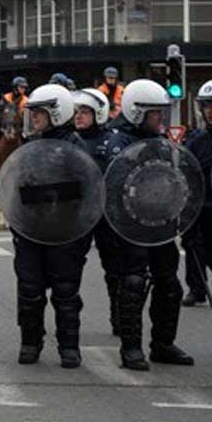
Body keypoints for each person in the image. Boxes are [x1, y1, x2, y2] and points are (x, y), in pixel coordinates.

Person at [97, 79, 193, 370]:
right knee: (133, 284)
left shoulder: (160, 143)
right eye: (155, 113)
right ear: (137, 112)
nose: (160, 119)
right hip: (130, 227)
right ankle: (131, 348)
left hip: (160, 224)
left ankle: (162, 344)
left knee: (170, 286)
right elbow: (113, 188)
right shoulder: (118, 145)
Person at [11, 85, 90, 368]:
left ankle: (69, 346)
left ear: (56, 113)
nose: (34, 119)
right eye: (32, 114)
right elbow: (15, 187)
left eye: (39, 114)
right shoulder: (30, 145)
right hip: (32, 230)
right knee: (29, 289)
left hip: (65, 231)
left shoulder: (76, 148)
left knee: (66, 291)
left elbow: (88, 192)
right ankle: (30, 342)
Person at [74, 88, 121, 335]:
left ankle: (119, 315)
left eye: (84, 112)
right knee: (69, 272)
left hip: (106, 215)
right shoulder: (70, 140)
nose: (79, 116)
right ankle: (69, 318)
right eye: (77, 112)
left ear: (99, 113)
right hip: (78, 215)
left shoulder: (114, 140)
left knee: (115, 270)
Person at [187, 79, 212, 313]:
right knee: (195, 250)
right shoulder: (197, 141)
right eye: (207, 106)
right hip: (203, 214)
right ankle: (195, 287)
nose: (210, 112)